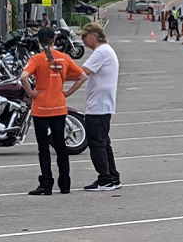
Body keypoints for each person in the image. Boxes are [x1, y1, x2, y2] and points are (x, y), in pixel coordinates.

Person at [21, 27, 87, 195]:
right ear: (53, 40)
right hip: (58, 107)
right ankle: (65, 184)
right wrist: (67, 93)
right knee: (61, 148)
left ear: (38, 40)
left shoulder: (36, 59)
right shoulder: (64, 58)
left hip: (41, 109)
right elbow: (82, 76)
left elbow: (23, 77)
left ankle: (46, 183)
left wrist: (31, 92)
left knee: (43, 148)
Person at [80, 23, 121, 192]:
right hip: (103, 104)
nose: (83, 40)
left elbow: (81, 72)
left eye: (85, 36)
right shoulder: (106, 51)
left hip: (98, 106)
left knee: (97, 143)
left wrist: (57, 76)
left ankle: (105, 178)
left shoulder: (101, 52)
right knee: (104, 142)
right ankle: (112, 176)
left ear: (95, 35)